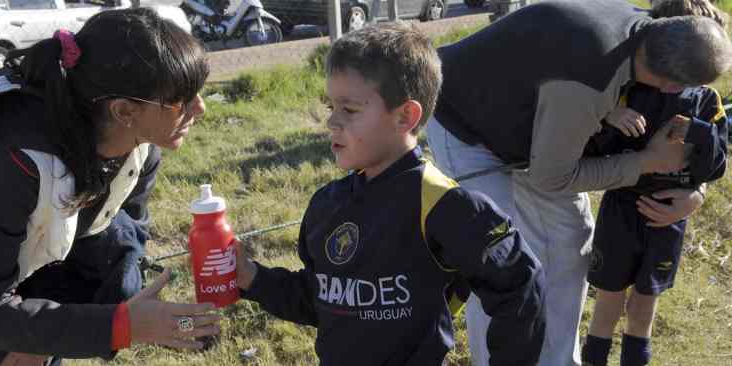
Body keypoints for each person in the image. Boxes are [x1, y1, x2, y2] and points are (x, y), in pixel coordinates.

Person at [425, 0, 732, 365]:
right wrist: (646, 162)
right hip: (466, 126)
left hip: (536, 136)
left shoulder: (650, 35)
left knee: (571, 242)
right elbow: (553, 175)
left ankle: (557, 360)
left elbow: (702, 148)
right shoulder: (591, 81)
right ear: (670, 86)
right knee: (500, 258)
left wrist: (695, 190)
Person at [234, 22, 546, 366]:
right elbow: (318, 300)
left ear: (405, 116)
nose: (332, 122)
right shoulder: (326, 204)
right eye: (330, 107)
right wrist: (253, 277)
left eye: (349, 110)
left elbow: (521, 287)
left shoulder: (443, 204)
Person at [0, 8, 221, 366]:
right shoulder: (15, 161)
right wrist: (122, 325)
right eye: (183, 98)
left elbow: (115, 240)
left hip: (15, 288)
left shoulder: (139, 148)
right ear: (124, 111)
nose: (200, 108)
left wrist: (139, 312)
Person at [580, 3, 729, 366]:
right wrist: (610, 116)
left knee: (644, 306)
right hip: (621, 210)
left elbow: (715, 167)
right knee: (608, 302)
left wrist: (699, 133)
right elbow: (594, 148)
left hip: (669, 220)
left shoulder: (706, 100)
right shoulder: (631, 86)